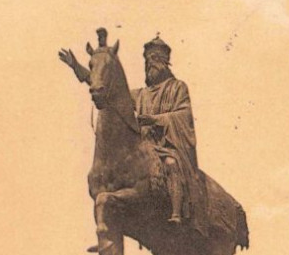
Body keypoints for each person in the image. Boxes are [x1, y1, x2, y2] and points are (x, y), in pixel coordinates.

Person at [59, 32, 207, 232]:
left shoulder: (178, 87)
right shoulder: (142, 94)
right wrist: (77, 67)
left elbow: (184, 116)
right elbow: (113, 92)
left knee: (171, 164)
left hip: (168, 145)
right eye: (147, 62)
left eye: (154, 61)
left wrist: (156, 119)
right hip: (145, 145)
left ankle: (176, 213)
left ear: (164, 63)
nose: (149, 66)